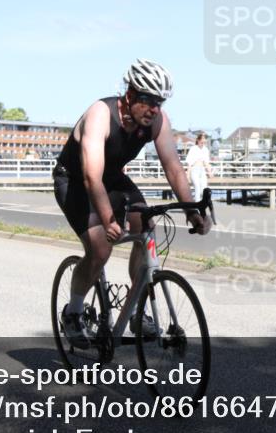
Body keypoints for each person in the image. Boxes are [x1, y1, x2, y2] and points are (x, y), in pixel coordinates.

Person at [53, 59, 210, 347]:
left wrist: (191, 211)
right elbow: (91, 177)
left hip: (111, 178)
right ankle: (73, 312)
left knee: (146, 227)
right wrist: (108, 220)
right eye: (148, 101)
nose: (154, 109)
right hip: (75, 180)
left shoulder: (157, 122)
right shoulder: (100, 114)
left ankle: (137, 309)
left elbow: (173, 168)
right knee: (100, 249)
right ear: (130, 95)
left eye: (159, 102)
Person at [185, 132, 213, 202]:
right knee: (197, 187)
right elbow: (189, 163)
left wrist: (209, 172)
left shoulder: (205, 150)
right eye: (202, 140)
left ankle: (202, 204)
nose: (203, 142)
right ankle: (197, 206)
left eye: (204, 140)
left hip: (202, 170)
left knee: (204, 189)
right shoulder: (193, 149)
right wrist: (188, 175)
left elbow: (206, 162)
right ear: (198, 140)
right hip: (194, 170)